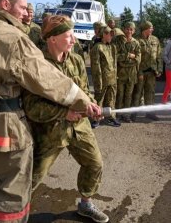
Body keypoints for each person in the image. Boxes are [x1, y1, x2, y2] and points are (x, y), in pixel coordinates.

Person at [0, 0, 101, 223]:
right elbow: (50, 81)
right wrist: (83, 103)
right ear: (5, 4)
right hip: (2, 129)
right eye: (22, 7)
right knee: (13, 194)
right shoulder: (15, 40)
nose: (26, 13)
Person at [22, 15, 109, 223]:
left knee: (95, 164)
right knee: (31, 178)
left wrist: (92, 104)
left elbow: (85, 91)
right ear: (52, 38)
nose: (73, 40)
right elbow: (31, 107)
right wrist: (64, 113)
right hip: (51, 131)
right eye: (69, 35)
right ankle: (15, 214)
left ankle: (85, 204)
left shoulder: (77, 60)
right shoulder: (38, 65)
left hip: (79, 127)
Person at [131, 21, 162, 122]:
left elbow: (159, 56)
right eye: (150, 28)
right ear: (145, 29)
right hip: (141, 72)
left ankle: (150, 113)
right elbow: (135, 58)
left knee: (150, 93)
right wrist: (138, 72)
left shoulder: (155, 39)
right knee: (138, 93)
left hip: (152, 71)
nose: (152, 29)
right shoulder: (137, 40)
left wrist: (159, 69)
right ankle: (133, 113)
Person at [90, 25, 120, 128]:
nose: (111, 36)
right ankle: (96, 118)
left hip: (112, 79)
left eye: (111, 34)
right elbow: (95, 67)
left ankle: (111, 116)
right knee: (99, 99)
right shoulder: (97, 47)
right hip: (102, 79)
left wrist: (115, 77)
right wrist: (98, 81)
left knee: (111, 98)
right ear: (103, 34)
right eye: (108, 34)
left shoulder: (112, 47)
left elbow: (115, 64)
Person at [114, 21, 141, 123]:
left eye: (131, 29)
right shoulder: (118, 41)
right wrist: (128, 56)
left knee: (128, 95)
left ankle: (126, 115)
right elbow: (115, 56)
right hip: (121, 72)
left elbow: (138, 58)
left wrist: (130, 58)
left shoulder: (136, 43)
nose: (129, 31)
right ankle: (118, 114)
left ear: (134, 31)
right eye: (127, 29)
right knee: (120, 94)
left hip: (132, 73)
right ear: (124, 29)